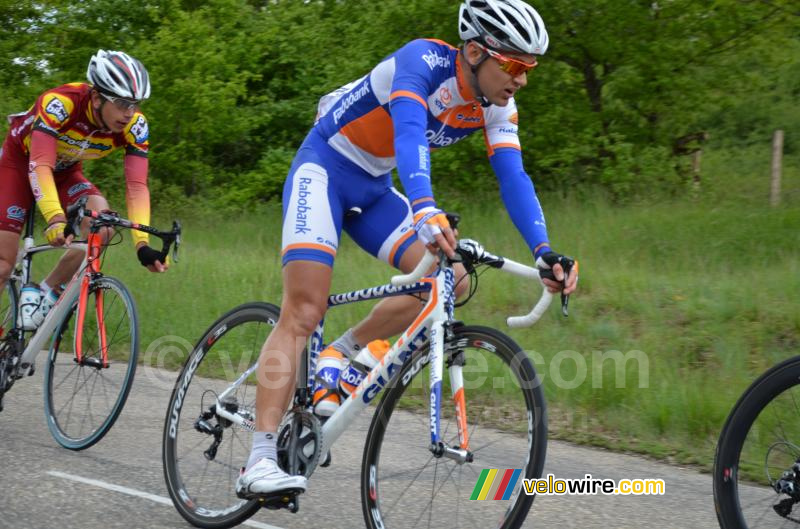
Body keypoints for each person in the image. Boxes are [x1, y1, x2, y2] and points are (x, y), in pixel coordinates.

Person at [236, 0, 578, 498]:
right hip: (325, 168)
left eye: (529, 68)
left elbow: (513, 176)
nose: (522, 79)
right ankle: (259, 460)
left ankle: (344, 352)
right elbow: (410, 132)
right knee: (304, 309)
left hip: (374, 186)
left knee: (453, 279)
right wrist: (424, 206)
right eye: (513, 65)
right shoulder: (422, 61)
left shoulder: (498, 104)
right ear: (477, 51)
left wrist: (545, 251)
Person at [0, 49, 168, 331]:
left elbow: (137, 186)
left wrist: (142, 244)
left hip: (66, 172)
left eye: (134, 104)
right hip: (19, 165)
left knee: (103, 227)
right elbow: (40, 164)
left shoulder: (135, 126)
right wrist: (55, 217)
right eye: (121, 103)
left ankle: (45, 292)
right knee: (4, 264)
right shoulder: (61, 103)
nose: (129, 113)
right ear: (97, 97)